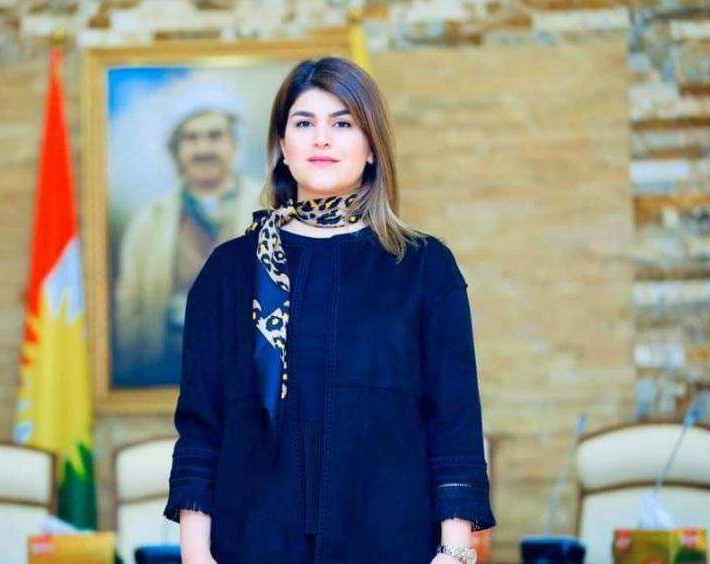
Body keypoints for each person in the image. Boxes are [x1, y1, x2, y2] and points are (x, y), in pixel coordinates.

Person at [164, 57, 496, 564]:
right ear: (282, 146)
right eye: (304, 123)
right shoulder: (229, 270)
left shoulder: (424, 266)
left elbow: (454, 424)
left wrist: (453, 555)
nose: (322, 139)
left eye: (342, 124)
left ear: (372, 147)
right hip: (253, 541)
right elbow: (200, 429)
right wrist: (196, 555)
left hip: (392, 541)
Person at [114, 88, 263, 387]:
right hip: (170, 366)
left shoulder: (271, 209)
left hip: (251, 372)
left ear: (234, 144)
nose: (203, 148)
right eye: (191, 138)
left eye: (215, 136)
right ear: (176, 150)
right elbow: (130, 308)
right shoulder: (148, 222)